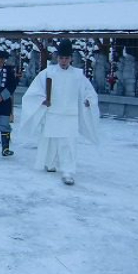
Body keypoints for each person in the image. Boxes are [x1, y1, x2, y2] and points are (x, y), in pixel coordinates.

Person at [20, 39, 100, 186]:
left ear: (71, 59)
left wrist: (89, 100)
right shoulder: (48, 72)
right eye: (61, 58)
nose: (64, 61)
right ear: (57, 58)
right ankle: (50, 163)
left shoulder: (77, 75)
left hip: (70, 115)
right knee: (50, 140)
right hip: (53, 113)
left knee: (68, 143)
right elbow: (34, 91)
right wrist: (42, 100)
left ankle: (68, 171)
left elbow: (89, 91)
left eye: (67, 58)